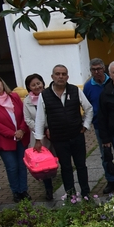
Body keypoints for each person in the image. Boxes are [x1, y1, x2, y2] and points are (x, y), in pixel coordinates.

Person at [33, 64, 94, 198]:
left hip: (77, 135)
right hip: (59, 138)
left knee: (81, 165)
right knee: (65, 167)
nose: (60, 76)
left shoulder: (75, 90)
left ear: (67, 77)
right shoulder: (45, 95)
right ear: (52, 76)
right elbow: (40, 119)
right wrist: (38, 139)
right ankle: (71, 195)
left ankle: (86, 193)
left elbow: (89, 109)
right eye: (57, 74)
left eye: (63, 74)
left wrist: (85, 125)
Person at [0, 74, 29, 202]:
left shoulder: (14, 97)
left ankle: (24, 190)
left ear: (2, 83)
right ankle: (16, 192)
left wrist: (21, 130)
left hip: (21, 136)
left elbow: (24, 114)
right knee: (12, 166)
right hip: (4, 140)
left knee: (22, 165)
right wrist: (13, 133)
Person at [83, 58, 114, 194]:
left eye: (99, 69)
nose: (96, 72)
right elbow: (86, 106)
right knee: (105, 155)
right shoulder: (88, 87)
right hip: (100, 126)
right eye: (93, 70)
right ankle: (110, 181)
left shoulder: (113, 81)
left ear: (104, 69)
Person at [21, 73, 54, 200]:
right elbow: (27, 119)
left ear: (43, 83)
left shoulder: (50, 95)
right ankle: (49, 190)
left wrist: (49, 128)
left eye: (38, 83)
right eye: (33, 85)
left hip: (53, 133)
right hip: (38, 136)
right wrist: (40, 129)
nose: (37, 86)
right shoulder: (27, 101)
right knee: (44, 164)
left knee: (59, 158)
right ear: (29, 87)